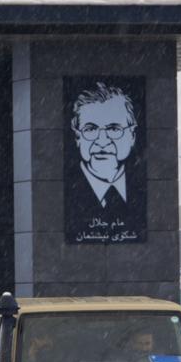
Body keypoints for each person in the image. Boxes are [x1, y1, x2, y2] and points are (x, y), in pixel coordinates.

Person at [65, 81, 146, 244]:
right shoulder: (65, 193)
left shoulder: (142, 187)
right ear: (77, 137)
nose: (102, 141)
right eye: (90, 129)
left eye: (114, 129)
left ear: (132, 135)